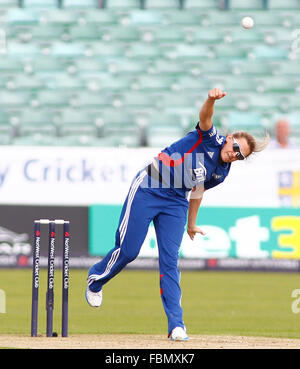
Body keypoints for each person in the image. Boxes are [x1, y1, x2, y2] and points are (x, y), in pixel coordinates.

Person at [85, 88, 270, 341]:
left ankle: (176, 325)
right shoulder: (211, 139)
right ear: (228, 138)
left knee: (170, 261)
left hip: (176, 202)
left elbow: (197, 191)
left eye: (240, 155)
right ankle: (96, 278)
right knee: (129, 251)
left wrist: (191, 224)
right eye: (235, 147)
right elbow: (205, 118)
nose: (234, 154)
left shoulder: (222, 172)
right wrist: (211, 100)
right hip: (150, 186)